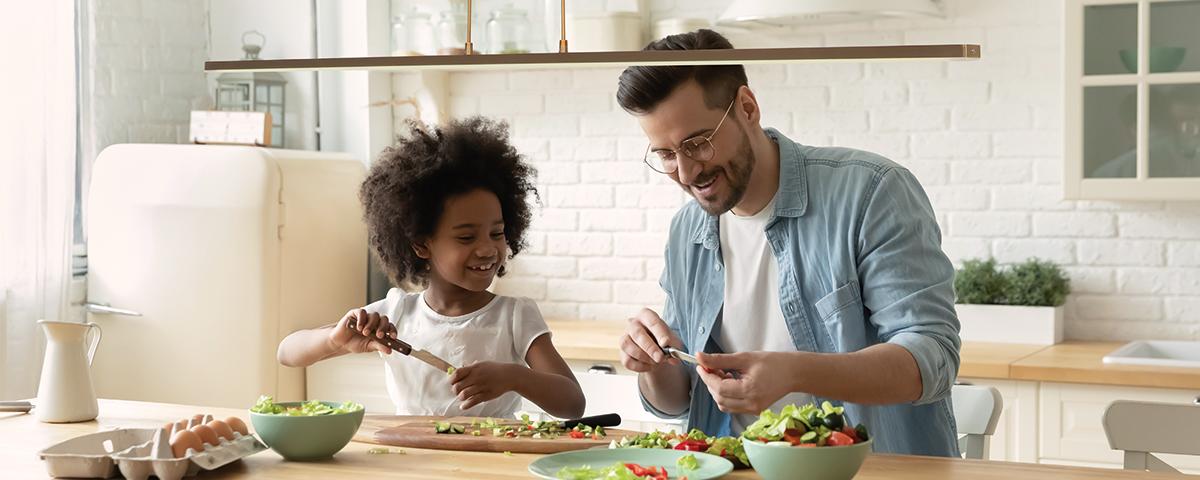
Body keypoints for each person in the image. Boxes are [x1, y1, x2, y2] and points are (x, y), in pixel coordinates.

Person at [614, 29, 961, 456]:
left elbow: (932, 359)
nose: (686, 173)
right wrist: (653, 363)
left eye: (697, 143)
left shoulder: (870, 192)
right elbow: (678, 401)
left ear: (747, 107)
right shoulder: (688, 230)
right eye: (666, 154)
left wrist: (796, 372)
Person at [277, 116, 585, 419]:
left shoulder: (514, 316)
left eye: (497, 233)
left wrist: (514, 377)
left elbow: (572, 403)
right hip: (413, 460)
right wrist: (333, 339)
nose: (488, 248)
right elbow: (287, 352)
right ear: (422, 245)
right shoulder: (396, 314)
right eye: (466, 236)